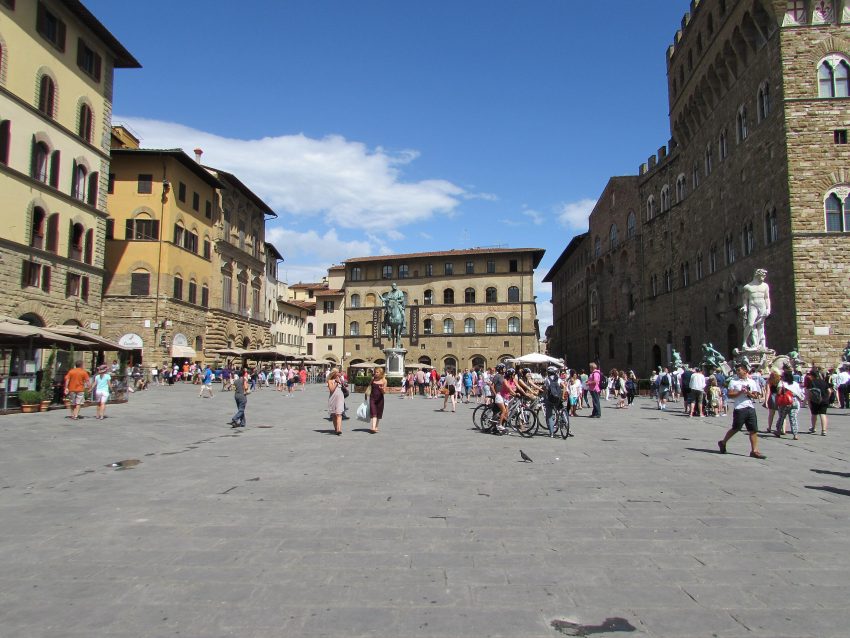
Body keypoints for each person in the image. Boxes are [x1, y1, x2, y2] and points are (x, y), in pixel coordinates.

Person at [718, 363, 767, 459]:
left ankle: (754, 450)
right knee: (736, 428)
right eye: (737, 370)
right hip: (739, 407)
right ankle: (723, 442)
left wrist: (748, 392)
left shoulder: (752, 382)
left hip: (750, 407)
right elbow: (730, 395)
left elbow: (756, 396)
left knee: (753, 429)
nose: (737, 372)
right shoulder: (734, 381)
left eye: (739, 370)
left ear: (745, 371)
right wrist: (740, 392)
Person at [740, 268, 772, 350]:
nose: (764, 277)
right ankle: (744, 342)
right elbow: (744, 299)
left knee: (761, 325)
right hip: (753, 306)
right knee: (750, 324)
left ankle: (759, 344)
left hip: (762, 305)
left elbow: (767, 298)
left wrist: (768, 309)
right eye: (762, 276)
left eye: (764, 276)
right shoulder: (747, 287)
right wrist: (745, 307)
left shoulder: (765, 286)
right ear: (757, 275)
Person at [774, 369, 804, 439]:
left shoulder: (782, 383)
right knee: (793, 418)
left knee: (782, 417)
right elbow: (800, 393)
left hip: (785, 402)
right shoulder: (795, 384)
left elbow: (778, 392)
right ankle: (795, 434)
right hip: (794, 401)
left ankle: (778, 431)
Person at [542, 366, 567, 437]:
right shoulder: (558, 379)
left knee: (549, 415)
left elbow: (546, 390)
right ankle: (565, 422)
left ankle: (552, 433)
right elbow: (564, 386)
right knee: (561, 409)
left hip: (550, 399)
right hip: (558, 398)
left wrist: (543, 395)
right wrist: (562, 396)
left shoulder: (547, 380)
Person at [807, 367, 832, 436]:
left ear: (812, 376)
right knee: (823, 414)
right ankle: (824, 430)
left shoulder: (812, 383)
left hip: (815, 401)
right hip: (824, 400)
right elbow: (829, 391)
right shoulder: (823, 382)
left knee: (814, 414)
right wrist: (827, 398)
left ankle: (813, 428)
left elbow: (810, 393)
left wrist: (809, 401)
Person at [327, 369, 345, 435]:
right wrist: (336, 383)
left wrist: (343, 384)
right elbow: (331, 390)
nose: (338, 373)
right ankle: (336, 428)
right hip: (333, 398)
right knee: (334, 414)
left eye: (338, 372)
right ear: (334, 373)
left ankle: (339, 429)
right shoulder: (330, 381)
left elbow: (343, 387)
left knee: (339, 414)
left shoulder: (340, 379)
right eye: (337, 372)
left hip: (340, 398)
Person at [369, 367, 387, 433]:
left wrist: (382, 389)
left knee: (378, 413)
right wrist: (366, 395)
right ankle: (373, 427)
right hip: (372, 398)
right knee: (374, 413)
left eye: (377, 372)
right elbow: (369, 387)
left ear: (381, 373)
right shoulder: (373, 379)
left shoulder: (384, 381)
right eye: (375, 372)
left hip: (380, 399)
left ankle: (376, 426)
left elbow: (384, 392)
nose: (375, 373)